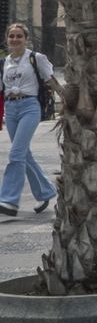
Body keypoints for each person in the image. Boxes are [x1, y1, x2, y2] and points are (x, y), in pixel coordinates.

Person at [2, 22, 58, 217]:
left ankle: (8, 200)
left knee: (16, 153)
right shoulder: (4, 62)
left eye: (19, 36)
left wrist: (69, 101)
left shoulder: (36, 58)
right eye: (12, 36)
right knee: (24, 154)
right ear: (7, 39)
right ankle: (46, 191)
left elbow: (51, 80)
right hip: (11, 109)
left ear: (26, 39)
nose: (15, 39)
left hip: (29, 107)